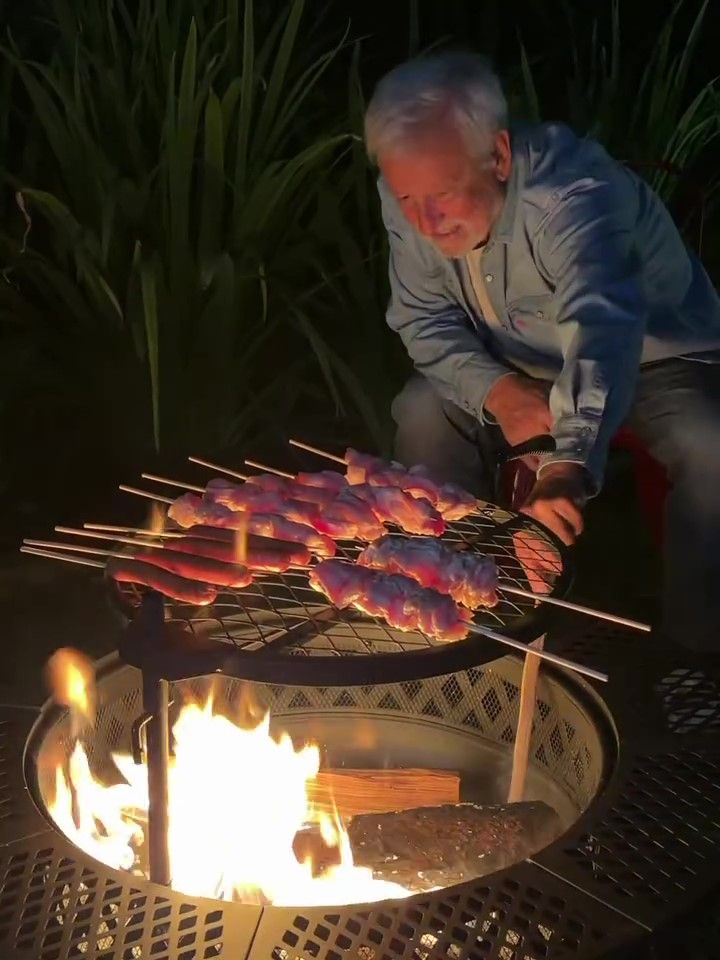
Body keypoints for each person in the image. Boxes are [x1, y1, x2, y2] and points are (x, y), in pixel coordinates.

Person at [363, 50, 720, 651]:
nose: (424, 221)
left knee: (710, 443)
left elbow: (601, 331)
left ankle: (699, 648)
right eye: (406, 199)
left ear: (499, 156)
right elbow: (422, 318)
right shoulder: (409, 190)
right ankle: (444, 611)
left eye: (443, 194)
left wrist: (564, 466)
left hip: (648, 357)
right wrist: (501, 393)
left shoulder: (574, 195)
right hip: (513, 359)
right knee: (423, 412)